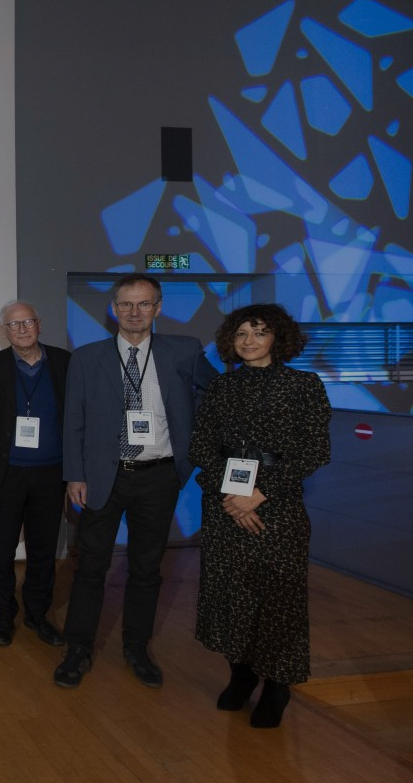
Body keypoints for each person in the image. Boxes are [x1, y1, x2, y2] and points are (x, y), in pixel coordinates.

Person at [54, 275, 218, 689]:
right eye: (126, 305)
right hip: (102, 477)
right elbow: (73, 419)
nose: (134, 312)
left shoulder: (184, 350)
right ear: (113, 309)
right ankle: (78, 648)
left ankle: (137, 645)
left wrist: (190, 437)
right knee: (91, 566)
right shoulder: (87, 357)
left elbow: (215, 396)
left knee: (146, 569)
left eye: (143, 304)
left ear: (158, 308)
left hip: (159, 476)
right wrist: (75, 473)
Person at [189, 303, 331, 728]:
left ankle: (278, 685)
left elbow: (315, 451)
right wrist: (233, 496)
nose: (249, 341)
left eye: (259, 332)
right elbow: (201, 448)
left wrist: (261, 493)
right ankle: (242, 673)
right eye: (241, 334)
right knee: (233, 595)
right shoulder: (220, 389)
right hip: (224, 507)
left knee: (278, 599)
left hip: (279, 509)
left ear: (278, 338)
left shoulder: (304, 386)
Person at [0, 301, 71, 648]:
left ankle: (38, 614)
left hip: (51, 473)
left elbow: (76, 421)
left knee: (44, 550)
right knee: (1, 550)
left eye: (28, 322)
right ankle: (4, 615)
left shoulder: (64, 363)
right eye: (14, 325)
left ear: (39, 324)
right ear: (4, 331)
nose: (22, 329)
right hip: (7, 475)